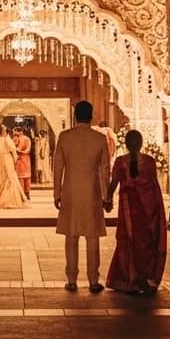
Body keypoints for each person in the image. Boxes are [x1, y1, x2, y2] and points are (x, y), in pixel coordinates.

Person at [53, 100, 110, 292]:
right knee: (92, 237)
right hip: (92, 192)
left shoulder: (65, 136)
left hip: (70, 191)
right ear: (91, 115)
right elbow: (104, 170)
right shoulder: (99, 139)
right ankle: (93, 280)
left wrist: (56, 193)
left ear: (74, 116)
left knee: (71, 235)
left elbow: (58, 166)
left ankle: (71, 280)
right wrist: (106, 195)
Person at [104, 129, 167, 293]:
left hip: (128, 211)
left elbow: (114, 183)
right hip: (148, 210)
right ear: (141, 143)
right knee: (146, 243)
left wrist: (107, 200)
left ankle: (130, 277)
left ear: (125, 144)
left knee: (128, 242)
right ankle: (145, 277)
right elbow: (154, 188)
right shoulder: (149, 161)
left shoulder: (120, 161)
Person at [0, 126, 27, 209]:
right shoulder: (6, 139)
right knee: (10, 177)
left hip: (2, 160)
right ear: (3, 131)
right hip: (8, 158)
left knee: (3, 178)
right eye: (5, 129)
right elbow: (12, 149)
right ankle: (9, 200)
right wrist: (15, 158)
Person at [14, 127, 33, 198]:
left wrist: (19, 151)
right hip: (23, 159)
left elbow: (27, 149)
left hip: (23, 158)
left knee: (24, 178)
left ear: (20, 132)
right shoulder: (20, 139)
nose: (15, 134)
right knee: (23, 177)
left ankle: (25, 193)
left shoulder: (24, 139)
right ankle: (25, 193)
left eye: (16, 132)